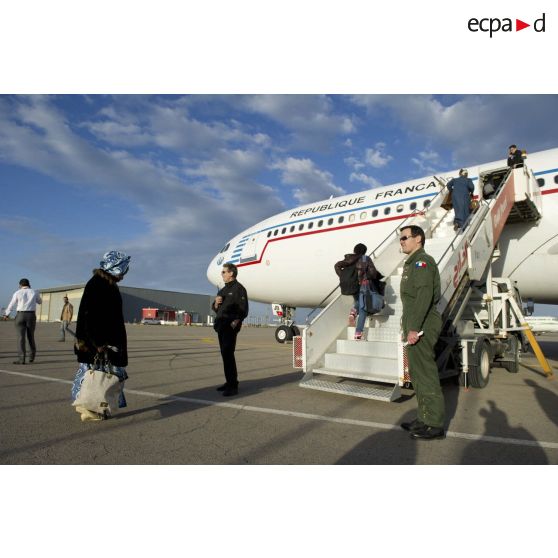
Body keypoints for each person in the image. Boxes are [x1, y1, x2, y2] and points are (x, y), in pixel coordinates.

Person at [71, 251, 131, 422]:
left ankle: (96, 408)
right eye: (123, 270)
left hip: (103, 342)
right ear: (115, 268)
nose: (124, 274)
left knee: (101, 378)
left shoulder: (106, 283)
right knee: (99, 378)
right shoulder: (99, 285)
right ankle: (92, 408)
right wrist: (98, 343)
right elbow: (90, 317)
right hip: (100, 343)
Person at [399, 225, 445, 440]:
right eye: (400, 238)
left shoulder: (422, 262)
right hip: (415, 323)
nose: (401, 241)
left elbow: (424, 296)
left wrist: (414, 328)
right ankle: (424, 418)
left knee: (425, 375)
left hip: (423, 324)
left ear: (418, 239)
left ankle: (434, 425)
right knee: (417, 376)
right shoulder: (411, 264)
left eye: (404, 237)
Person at [212, 263, 249, 396]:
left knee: (228, 354)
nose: (222, 274)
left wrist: (236, 322)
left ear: (231, 273)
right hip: (221, 326)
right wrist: (216, 302)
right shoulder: (223, 290)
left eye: (223, 272)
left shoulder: (239, 289)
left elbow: (243, 309)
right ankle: (229, 382)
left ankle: (233, 386)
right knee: (225, 355)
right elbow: (215, 308)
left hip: (230, 327)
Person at [334, 243, 380, 340]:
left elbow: (337, 265)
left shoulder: (348, 258)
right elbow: (373, 273)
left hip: (352, 286)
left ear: (354, 250)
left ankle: (354, 311)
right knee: (363, 309)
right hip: (363, 285)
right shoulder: (365, 259)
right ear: (364, 251)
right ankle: (358, 333)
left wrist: (343, 276)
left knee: (359, 302)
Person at [3, 278, 42, 364]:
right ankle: (31, 357)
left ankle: (22, 359)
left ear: (20, 285)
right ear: (29, 284)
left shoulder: (17, 292)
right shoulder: (35, 291)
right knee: (31, 336)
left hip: (20, 315)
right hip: (31, 315)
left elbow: (11, 304)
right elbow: (40, 302)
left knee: (21, 338)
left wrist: (6, 314)